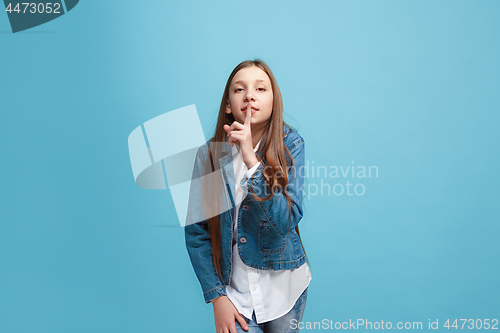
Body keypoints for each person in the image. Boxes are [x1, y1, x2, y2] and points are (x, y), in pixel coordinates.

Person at [185, 59, 311, 333]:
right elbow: (197, 233)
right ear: (228, 105)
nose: (250, 95)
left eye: (260, 89)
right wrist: (217, 296)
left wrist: (252, 161)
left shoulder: (292, 145)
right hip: (235, 294)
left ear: (274, 103)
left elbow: (285, 220)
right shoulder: (208, 156)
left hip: (284, 289)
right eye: (239, 89)